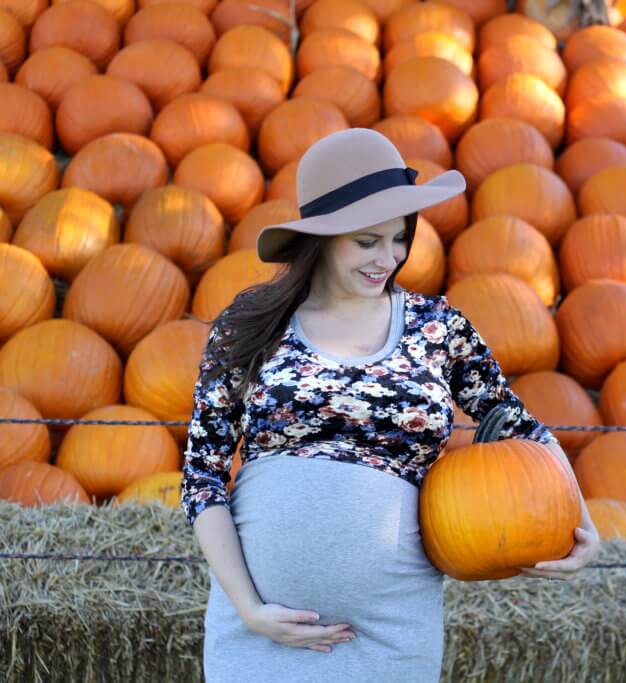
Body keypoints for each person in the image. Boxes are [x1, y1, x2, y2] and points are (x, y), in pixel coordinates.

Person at [180, 128, 601, 682]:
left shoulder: (437, 327)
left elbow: (519, 428)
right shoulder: (252, 323)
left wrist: (581, 524)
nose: (390, 257)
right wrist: (249, 608)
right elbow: (202, 475)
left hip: (390, 631)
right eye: (367, 241)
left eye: (400, 238)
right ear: (321, 238)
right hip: (262, 626)